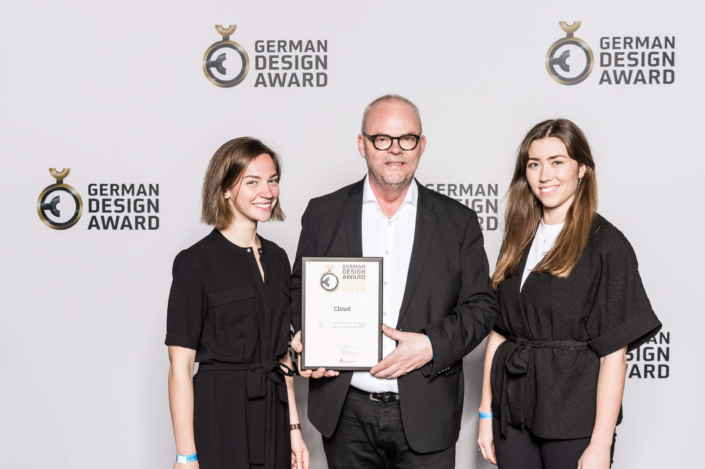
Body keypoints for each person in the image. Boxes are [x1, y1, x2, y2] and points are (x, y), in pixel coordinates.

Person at [289, 94, 499, 468]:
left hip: (428, 410)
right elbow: (300, 288)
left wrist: (431, 345)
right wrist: (310, 335)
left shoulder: (458, 222)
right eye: (382, 139)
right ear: (363, 144)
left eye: (407, 139)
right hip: (345, 412)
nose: (395, 149)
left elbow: (481, 307)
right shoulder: (324, 213)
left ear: (421, 145)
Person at [476, 119, 662, 468]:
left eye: (557, 161)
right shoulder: (519, 238)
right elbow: (500, 334)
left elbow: (614, 355)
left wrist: (601, 444)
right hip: (513, 410)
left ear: (582, 169)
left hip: (574, 417)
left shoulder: (607, 245)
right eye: (534, 164)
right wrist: (486, 412)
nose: (545, 175)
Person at [165, 137, 309, 469]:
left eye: (273, 180)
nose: (267, 192)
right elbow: (180, 367)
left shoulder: (277, 257)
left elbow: (282, 356)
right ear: (226, 188)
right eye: (252, 182)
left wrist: (294, 430)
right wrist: (186, 456)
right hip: (221, 415)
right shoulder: (196, 262)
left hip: (273, 412)